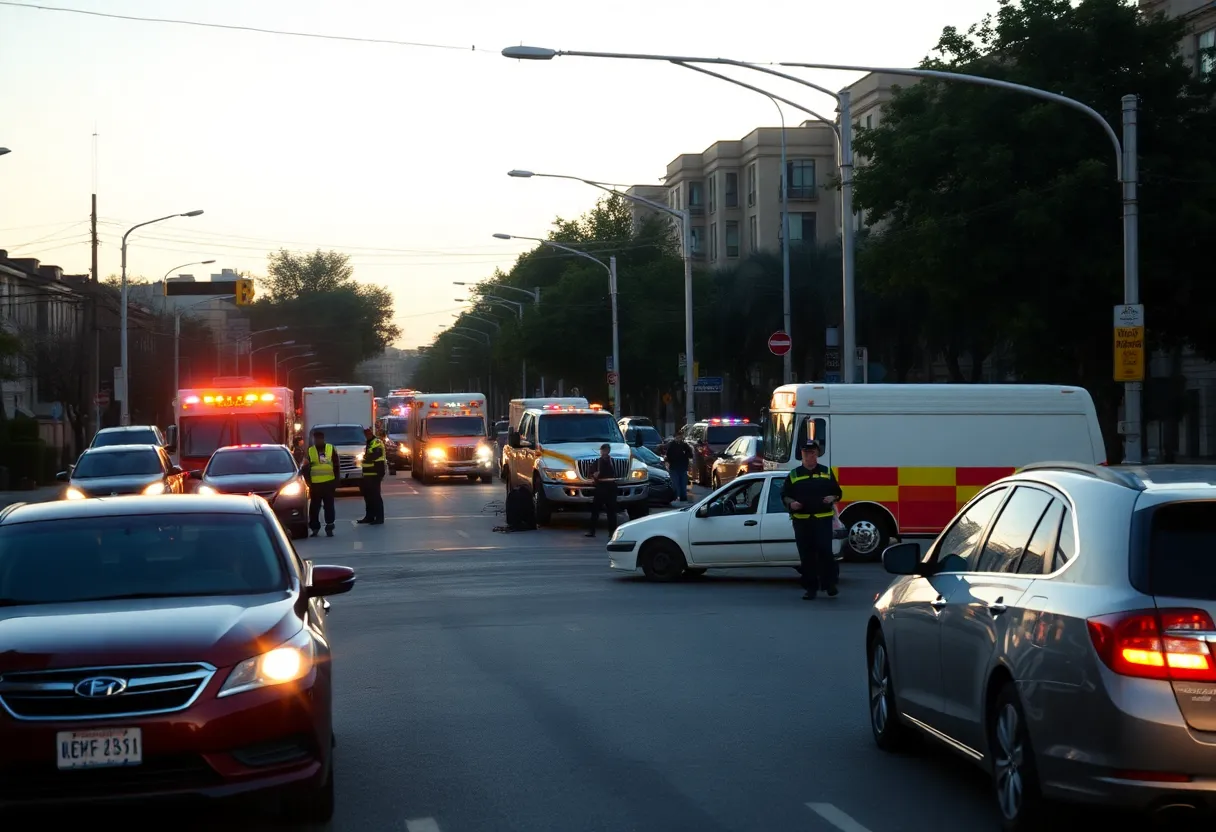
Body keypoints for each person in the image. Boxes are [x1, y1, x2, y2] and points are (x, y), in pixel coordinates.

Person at [782, 439, 842, 600]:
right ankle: (810, 588)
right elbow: (785, 495)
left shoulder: (826, 472)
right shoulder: (794, 474)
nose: (810, 456)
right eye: (807, 453)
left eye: (813, 453)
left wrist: (832, 497)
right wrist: (791, 504)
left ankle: (829, 585)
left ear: (817, 454)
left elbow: (838, 493)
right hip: (802, 521)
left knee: (825, 552)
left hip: (822, 520)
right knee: (806, 555)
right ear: (802, 455)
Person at [301, 429, 337, 538]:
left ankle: (329, 527)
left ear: (323, 439)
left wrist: (336, 481)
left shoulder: (330, 449)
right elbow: (305, 467)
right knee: (314, 508)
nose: (318, 441)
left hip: (328, 483)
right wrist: (308, 482)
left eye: (319, 439)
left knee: (329, 506)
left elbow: (336, 465)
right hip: (315, 485)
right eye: (316, 439)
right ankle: (315, 528)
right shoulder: (310, 451)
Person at [585, 443, 619, 538]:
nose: (604, 452)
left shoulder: (613, 461)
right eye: (603, 450)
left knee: (611, 511)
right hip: (601, 486)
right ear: (601, 451)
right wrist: (594, 475)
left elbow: (618, 473)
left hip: (611, 486)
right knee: (595, 510)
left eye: (606, 450)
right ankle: (592, 531)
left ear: (609, 451)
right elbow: (589, 473)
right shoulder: (597, 462)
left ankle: (612, 532)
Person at [358, 425, 386, 525]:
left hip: (375, 472)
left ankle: (379, 518)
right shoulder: (369, 443)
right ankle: (369, 516)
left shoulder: (376, 442)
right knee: (368, 496)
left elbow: (375, 455)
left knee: (375, 496)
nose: (367, 434)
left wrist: (364, 458)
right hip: (368, 473)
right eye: (365, 433)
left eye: (368, 432)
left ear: (371, 433)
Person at [664, 434, 692, 503]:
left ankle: (683, 498)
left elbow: (690, 455)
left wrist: (685, 454)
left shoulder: (685, 445)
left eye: (680, 437)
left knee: (683, 484)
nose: (679, 439)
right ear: (675, 438)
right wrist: (671, 461)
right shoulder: (671, 445)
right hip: (674, 468)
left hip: (683, 467)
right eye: (677, 437)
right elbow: (668, 455)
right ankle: (676, 497)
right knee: (675, 484)